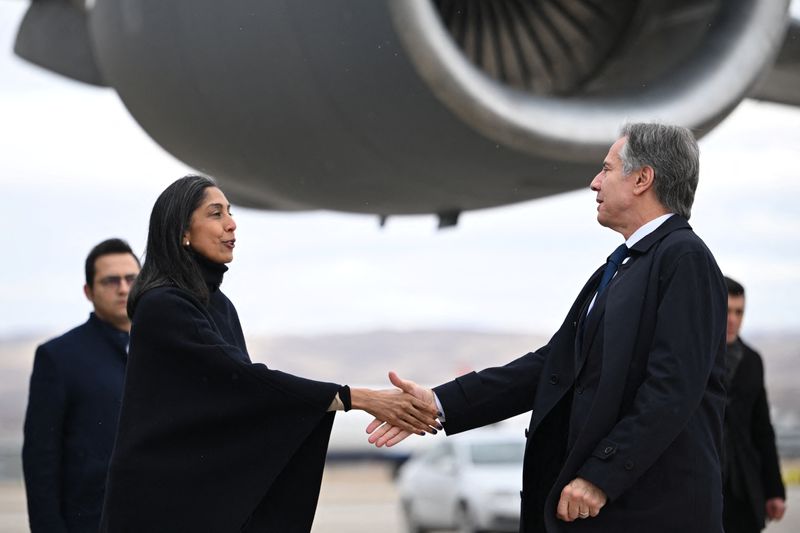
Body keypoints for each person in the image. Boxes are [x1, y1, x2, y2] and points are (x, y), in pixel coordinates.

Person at [369, 123, 728, 532]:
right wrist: (440, 402)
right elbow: (552, 367)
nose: (595, 183)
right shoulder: (622, 267)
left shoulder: (684, 259)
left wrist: (601, 476)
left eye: (607, 169)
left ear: (643, 179)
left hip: (652, 511)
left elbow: (673, 389)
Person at [99, 175, 439, 532]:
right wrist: (355, 397)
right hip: (159, 505)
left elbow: (243, 409)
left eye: (229, 212)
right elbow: (242, 382)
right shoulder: (162, 306)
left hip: (194, 500)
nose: (231, 223)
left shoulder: (218, 306)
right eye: (215, 214)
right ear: (182, 232)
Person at [22, 238, 141, 533]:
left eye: (131, 279)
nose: (123, 288)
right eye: (110, 281)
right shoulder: (59, 357)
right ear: (88, 291)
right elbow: (41, 461)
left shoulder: (165, 348)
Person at [721, 276, 786, 533]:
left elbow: (762, 430)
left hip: (744, 487)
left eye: (739, 311)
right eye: (726, 310)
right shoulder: (694, 357)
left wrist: (774, 491)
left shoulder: (752, 361)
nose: (733, 319)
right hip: (700, 485)